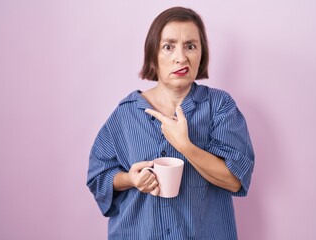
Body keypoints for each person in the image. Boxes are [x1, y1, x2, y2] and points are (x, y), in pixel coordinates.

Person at [87, 6, 254, 240]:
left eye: (190, 46)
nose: (181, 57)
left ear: (201, 54)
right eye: (169, 46)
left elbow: (235, 180)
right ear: (153, 55)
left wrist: (185, 146)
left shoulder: (219, 106)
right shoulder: (125, 114)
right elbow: (99, 177)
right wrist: (130, 179)